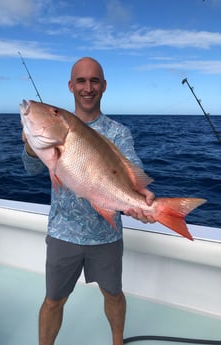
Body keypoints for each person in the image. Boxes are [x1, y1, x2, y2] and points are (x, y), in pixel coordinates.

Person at [22, 57, 155, 345]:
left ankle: (117, 342)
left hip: (107, 234)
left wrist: (142, 201)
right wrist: (31, 146)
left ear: (104, 86)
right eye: (81, 81)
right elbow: (31, 169)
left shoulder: (119, 132)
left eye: (94, 80)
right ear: (71, 86)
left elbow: (132, 171)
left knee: (114, 294)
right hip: (63, 232)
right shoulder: (58, 129)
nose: (87, 87)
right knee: (54, 300)